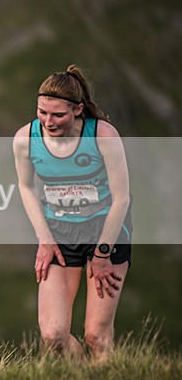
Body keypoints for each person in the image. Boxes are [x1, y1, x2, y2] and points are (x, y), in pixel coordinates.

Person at [13, 65, 132, 362]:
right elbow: (25, 187)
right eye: (42, 112)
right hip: (59, 232)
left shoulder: (103, 135)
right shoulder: (25, 138)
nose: (48, 121)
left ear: (78, 109)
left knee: (96, 336)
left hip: (106, 230)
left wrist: (102, 254)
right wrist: (44, 239)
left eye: (57, 115)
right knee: (53, 336)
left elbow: (122, 199)